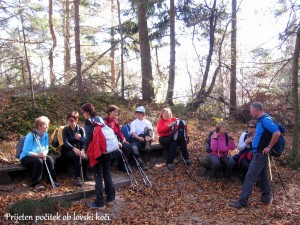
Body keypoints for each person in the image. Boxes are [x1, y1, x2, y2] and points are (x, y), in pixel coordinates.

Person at [230, 102, 281, 208]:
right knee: (262, 176)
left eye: (251, 110)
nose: (250, 111)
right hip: (258, 153)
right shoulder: (261, 121)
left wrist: (269, 147)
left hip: (260, 154)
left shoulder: (266, 120)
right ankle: (266, 197)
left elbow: (277, 133)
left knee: (250, 176)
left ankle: (242, 202)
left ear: (256, 110)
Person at [81, 103, 115, 209]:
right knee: (107, 174)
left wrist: (79, 138)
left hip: (98, 152)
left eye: (83, 112)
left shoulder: (88, 122)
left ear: (86, 112)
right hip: (107, 150)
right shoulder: (99, 118)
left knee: (98, 176)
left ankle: (100, 203)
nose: (83, 115)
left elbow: (88, 139)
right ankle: (111, 198)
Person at [20, 116, 59, 191]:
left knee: (50, 159)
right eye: (45, 124)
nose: (47, 126)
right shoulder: (31, 136)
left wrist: (44, 154)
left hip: (40, 155)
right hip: (26, 157)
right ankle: (35, 183)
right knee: (39, 161)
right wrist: (37, 155)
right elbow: (25, 151)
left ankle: (52, 180)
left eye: (47, 124)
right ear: (39, 126)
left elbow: (46, 147)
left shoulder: (45, 135)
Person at [60, 111, 88, 187]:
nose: (70, 122)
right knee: (77, 155)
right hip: (68, 150)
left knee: (85, 157)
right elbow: (65, 143)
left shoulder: (81, 129)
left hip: (79, 149)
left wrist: (82, 149)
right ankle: (77, 177)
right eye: (68, 120)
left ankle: (85, 175)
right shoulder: (65, 130)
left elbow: (84, 142)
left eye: (71, 120)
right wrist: (74, 149)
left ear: (76, 120)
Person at [103, 105, 133, 172]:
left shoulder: (116, 121)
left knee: (128, 147)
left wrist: (123, 139)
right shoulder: (105, 121)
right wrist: (115, 142)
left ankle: (122, 166)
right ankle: (107, 167)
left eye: (117, 112)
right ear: (110, 112)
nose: (116, 114)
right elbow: (105, 134)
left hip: (117, 139)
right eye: (115, 112)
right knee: (117, 151)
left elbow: (119, 131)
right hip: (109, 140)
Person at [130, 106, 154, 171]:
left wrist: (152, 137)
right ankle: (141, 163)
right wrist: (138, 138)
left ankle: (147, 145)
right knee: (134, 147)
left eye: (139, 112)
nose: (137, 114)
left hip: (147, 138)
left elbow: (151, 131)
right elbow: (133, 133)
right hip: (138, 138)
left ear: (143, 113)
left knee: (147, 129)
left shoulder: (147, 122)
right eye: (137, 112)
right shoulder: (133, 122)